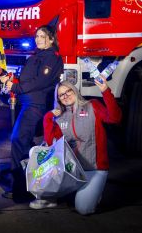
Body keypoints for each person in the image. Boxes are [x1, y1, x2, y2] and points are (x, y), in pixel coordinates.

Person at [30, 78, 122, 214]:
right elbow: (50, 144)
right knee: (36, 152)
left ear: (75, 91)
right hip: (72, 170)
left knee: (84, 209)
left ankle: (91, 192)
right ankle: (49, 197)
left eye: (68, 91)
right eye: (61, 94)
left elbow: (115, 118)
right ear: (58, 99)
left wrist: (105, 91)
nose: (66, 96)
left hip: (94, 169)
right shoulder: (59, 116)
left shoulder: (92, 106)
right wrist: (48, 118)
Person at [0, 25, 63, 202]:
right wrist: (12, 80)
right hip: (27, 103)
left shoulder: (52, 58)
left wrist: (16, 87)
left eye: (43, 36)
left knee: (18, 140)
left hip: (36, 105)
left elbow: (40, 82)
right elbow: (27, 80)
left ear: (51, 39)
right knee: (25, 143)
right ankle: (32, 184)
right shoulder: (37, 56)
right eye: (37, 36)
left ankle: (20, 191)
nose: (38, 39)